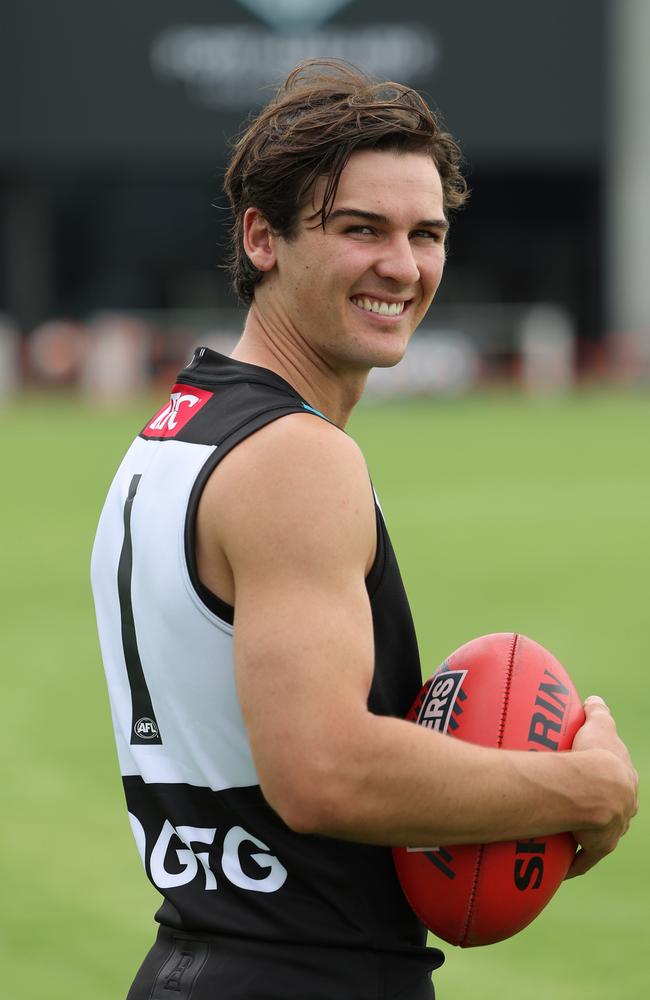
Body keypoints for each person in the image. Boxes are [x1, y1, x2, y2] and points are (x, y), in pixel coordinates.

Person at [91, 60, 638, 1000]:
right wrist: (585, 792)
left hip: (200, 956)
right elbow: (324, 773)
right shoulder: (296, 457)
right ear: (262, 237)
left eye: (426, 234)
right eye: (361, 230)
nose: (403, 265)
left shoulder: (176, 429)